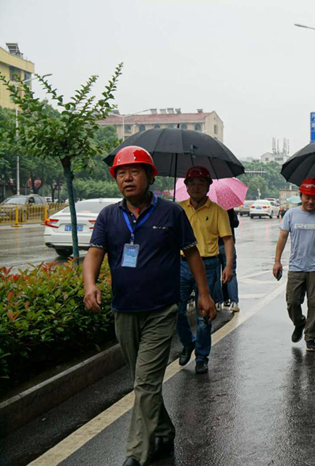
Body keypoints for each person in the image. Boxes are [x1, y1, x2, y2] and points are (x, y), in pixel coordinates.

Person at [83, 146, 217, 466]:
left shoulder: (171, 213)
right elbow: (94, 252)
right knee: (144, 383)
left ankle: (135, 453)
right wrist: (90, 284)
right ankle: (164, 431)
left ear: (149, 176)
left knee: (144, 383)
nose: (127, 178)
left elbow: (192, 253)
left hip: (161, 310)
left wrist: (204, 294)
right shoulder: (108, 216)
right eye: (121, 173)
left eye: (134, 171)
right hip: (124, 310)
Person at [272, 177, 315, 352]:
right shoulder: (291, 214)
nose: (311, 201)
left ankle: (310, 337)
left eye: (314, 198)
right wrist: (277, 261)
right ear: (300, 195)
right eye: (307, 197)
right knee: (292, 302)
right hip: (296, 266)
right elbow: (282, 237)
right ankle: (299, 322)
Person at [176, 166, 234, 375]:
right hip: (182, 265)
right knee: (176, 311)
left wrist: (228, 266)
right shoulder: (178, 209)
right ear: (186, 186)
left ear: (208, 187)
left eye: (201, 183)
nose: (196, 187)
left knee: (204, 316)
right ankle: (187, 342)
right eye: (192, 183)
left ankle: (201, 356)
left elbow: (227, 240)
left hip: (208, 265)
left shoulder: (218, 211)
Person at [219, 207, 240, 312]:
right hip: (228, 244)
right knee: (231, 272)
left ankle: (218, 301)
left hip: (213, 245)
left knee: (215, 273)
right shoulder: (228, 207)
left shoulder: (210, 208)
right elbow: (235, 223)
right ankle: (234, 301)